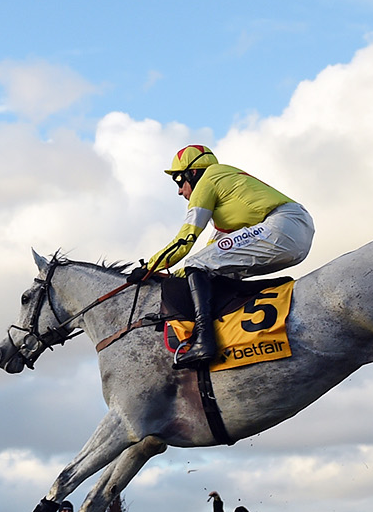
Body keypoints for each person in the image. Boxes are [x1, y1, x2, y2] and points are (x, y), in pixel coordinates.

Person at [126, 145, 314, 368]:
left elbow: (185, 240)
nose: (179, 191)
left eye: (179, 181)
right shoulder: (226, 195)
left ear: (192, 173)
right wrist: (172, 275)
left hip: (283, 226)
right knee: (208, 268)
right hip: (295, 229)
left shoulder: (208, 180)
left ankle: (204, 341)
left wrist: (148, 267)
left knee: (196, 264)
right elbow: (212, 252)